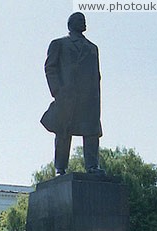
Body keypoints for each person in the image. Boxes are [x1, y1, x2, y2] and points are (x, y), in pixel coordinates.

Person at [41, 12, 105, 176]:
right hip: (67, 97)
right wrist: (57, 91)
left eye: (84, 20)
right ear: (71, 24)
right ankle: (60, 168)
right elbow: (50, 68)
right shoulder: (59, 44)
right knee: (63, 132)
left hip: (89, 98)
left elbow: (96, 75)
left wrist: (95, 97)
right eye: (80, 20)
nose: (84, 23)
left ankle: (92, 166)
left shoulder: (92, 48)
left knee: (91, 132)